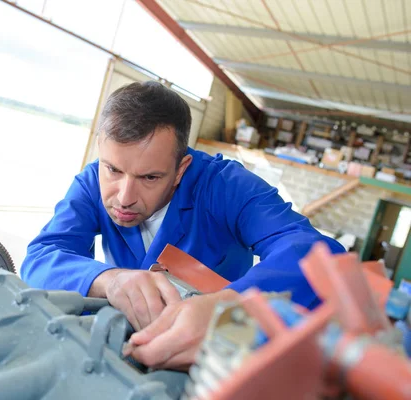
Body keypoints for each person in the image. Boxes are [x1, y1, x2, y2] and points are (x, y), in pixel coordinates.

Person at [20, 81, 345, 369]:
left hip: (215, 351)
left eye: (150, 177)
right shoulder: (93, 180)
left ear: (180, 169)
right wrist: (110, 280)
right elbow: (41, 257)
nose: (124, 197)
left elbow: (317, 253)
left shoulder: (226, 186)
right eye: (114, 169)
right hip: (122, 342)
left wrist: (228, 307)